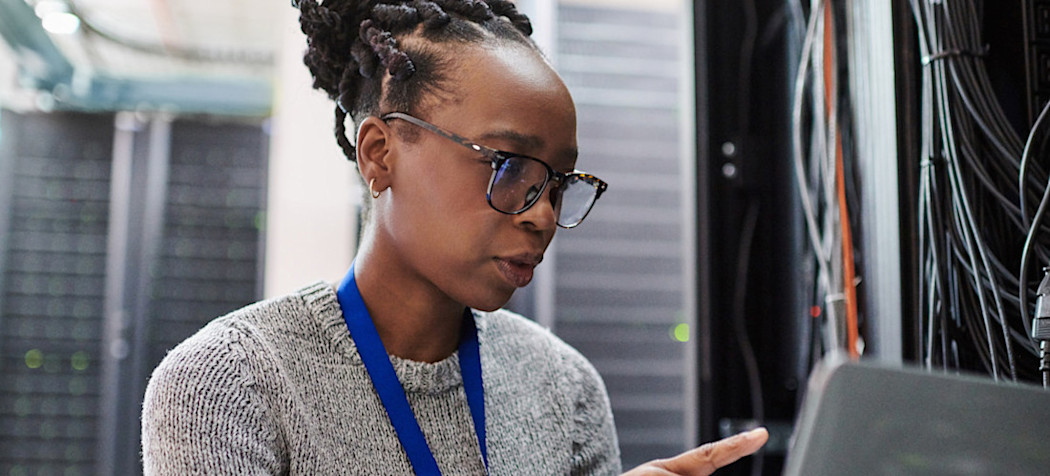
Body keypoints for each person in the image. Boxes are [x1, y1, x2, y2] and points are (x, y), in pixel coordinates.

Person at [140, 0, 768, 474]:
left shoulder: (565, 389)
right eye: (508, 166)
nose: (542, 216)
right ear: (380, 154)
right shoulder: (227, 384)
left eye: (556, 182)